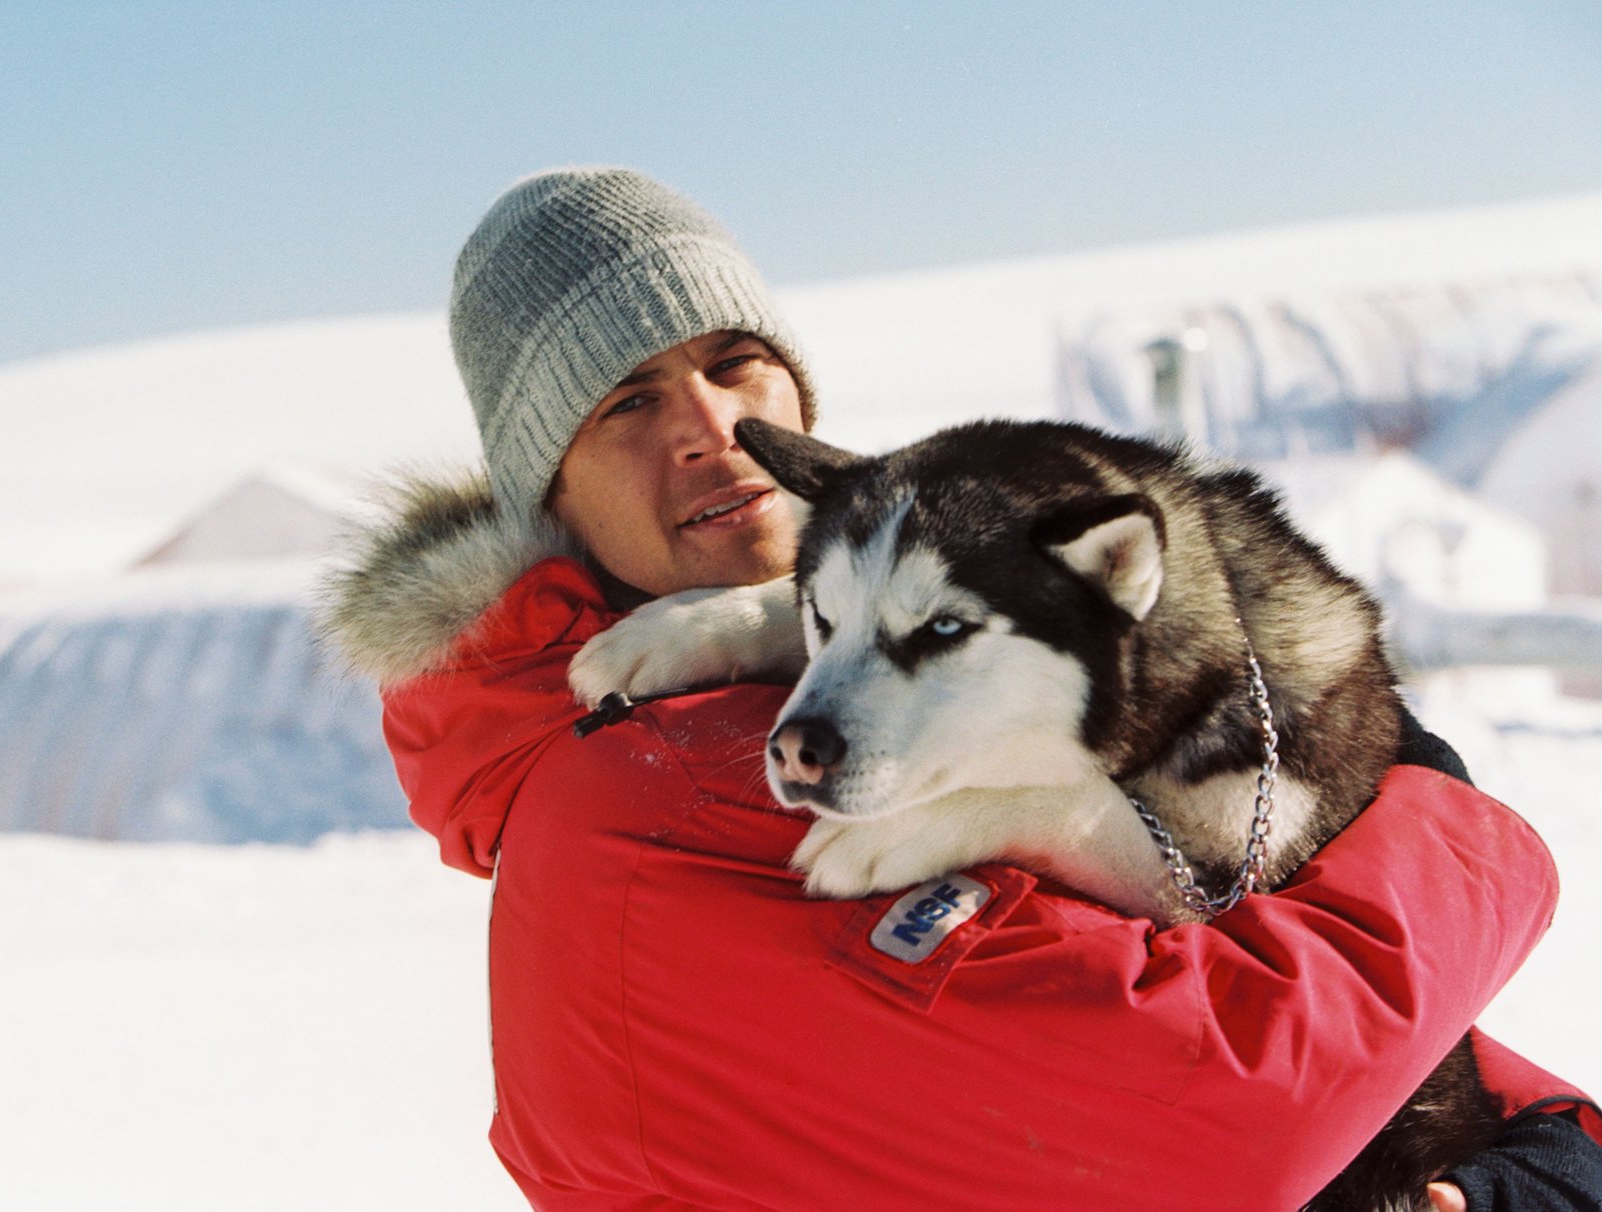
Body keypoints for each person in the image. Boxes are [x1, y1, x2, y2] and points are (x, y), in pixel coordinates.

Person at [321, 167, 1602, 1210]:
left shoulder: (791, 691)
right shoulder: (680, 788)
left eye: (736, 360)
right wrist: (1440, 813)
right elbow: (1239, 1100)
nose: (708, 425)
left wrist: (1542, 1155)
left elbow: (1289, 988)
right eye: (626, 401)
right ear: (546, 486)